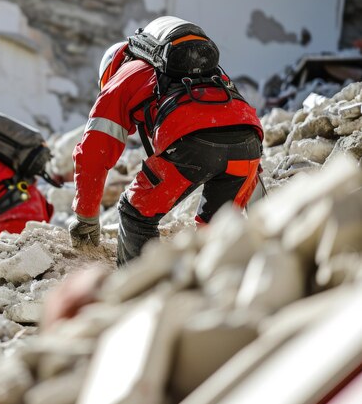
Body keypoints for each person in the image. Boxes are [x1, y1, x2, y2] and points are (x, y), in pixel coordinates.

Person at [69, 16, 263, 265]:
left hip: (192, 144)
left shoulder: (124, 76)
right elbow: (235, 122)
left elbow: (94, 151)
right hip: (248, 146)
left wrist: (86, 216)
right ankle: (218, 290)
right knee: (216, 231)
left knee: (135, 212)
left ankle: (138, 290)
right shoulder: (207, 74)